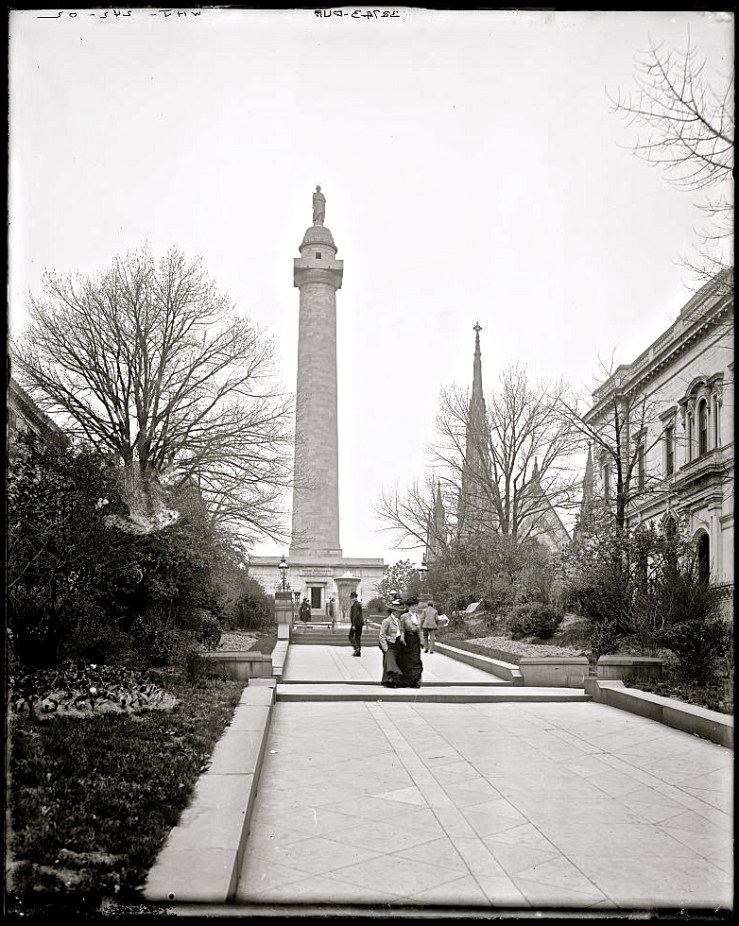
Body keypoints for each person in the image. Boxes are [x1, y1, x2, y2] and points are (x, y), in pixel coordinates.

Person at [396, 599, 423, 688]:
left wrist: (422, 640)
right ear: (409, 607)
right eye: (412, 606)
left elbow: (420, 630)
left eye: (416, 606)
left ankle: (416, 681)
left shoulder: (419, 617)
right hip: (407, 639)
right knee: (407, 661)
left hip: (415, 640)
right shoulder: (404, 616)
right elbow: (401, 628)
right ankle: (406, 681)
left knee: (416, 659)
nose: (415, 608)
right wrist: (402, 638)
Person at [378, 601, 403, 687]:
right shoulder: (387, 621)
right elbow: (381, 635)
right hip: (389, 643)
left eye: (400, 611)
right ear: (393, 611)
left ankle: (386, 681)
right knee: (390, 661)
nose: (399, 613)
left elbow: (400, 632)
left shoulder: (398, 621)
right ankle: (391, 680)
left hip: (397, 643)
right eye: (398, 611)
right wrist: (385, 648)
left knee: (388, 662)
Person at [348, 592, 364, 656]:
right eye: (351, 598)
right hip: (360, 623)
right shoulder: (358, 604)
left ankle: (357, 648)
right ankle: (358, 652)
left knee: (350, 636)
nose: (351, 599)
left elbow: (355, 615)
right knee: (358, 638)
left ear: (355, 597)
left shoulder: (355, 605)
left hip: (356, 623)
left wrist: (353, 625)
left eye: (352, 598)